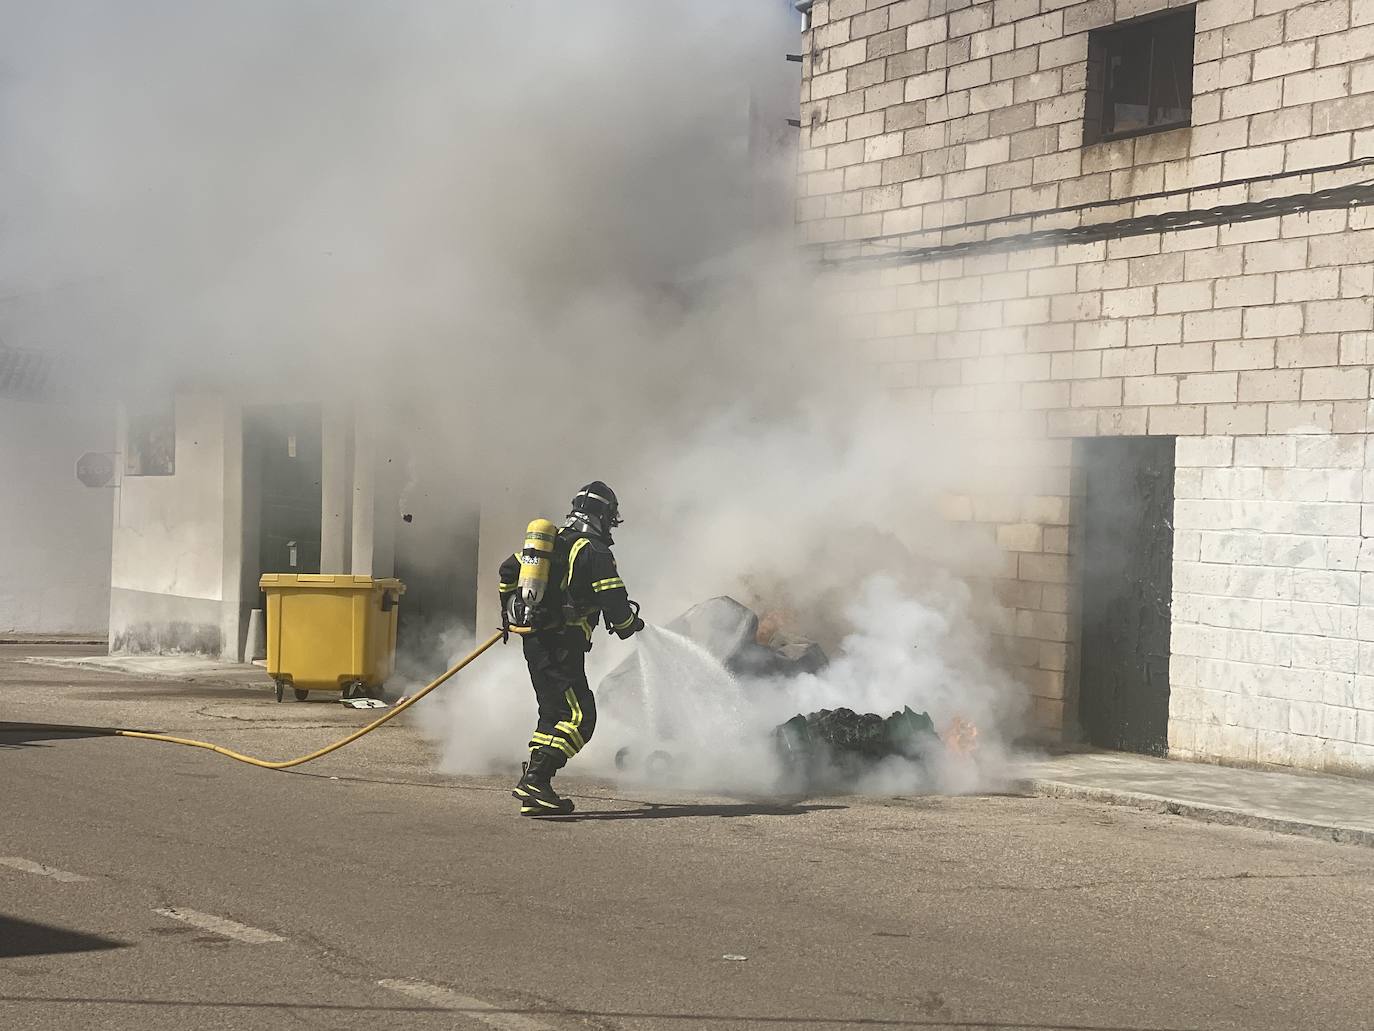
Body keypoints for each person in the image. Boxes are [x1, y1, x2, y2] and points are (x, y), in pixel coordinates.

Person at [498, 481, 644, 816]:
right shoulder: (593, 551)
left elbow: (508, 569)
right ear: (603, 515)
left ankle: (537, 793)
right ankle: (536, 778)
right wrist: (628, 625)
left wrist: (510, 608)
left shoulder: (552, 545)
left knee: (553, 714)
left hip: (537, 642)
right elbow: (614, 599)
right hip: (562, 644)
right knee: (580, 718)